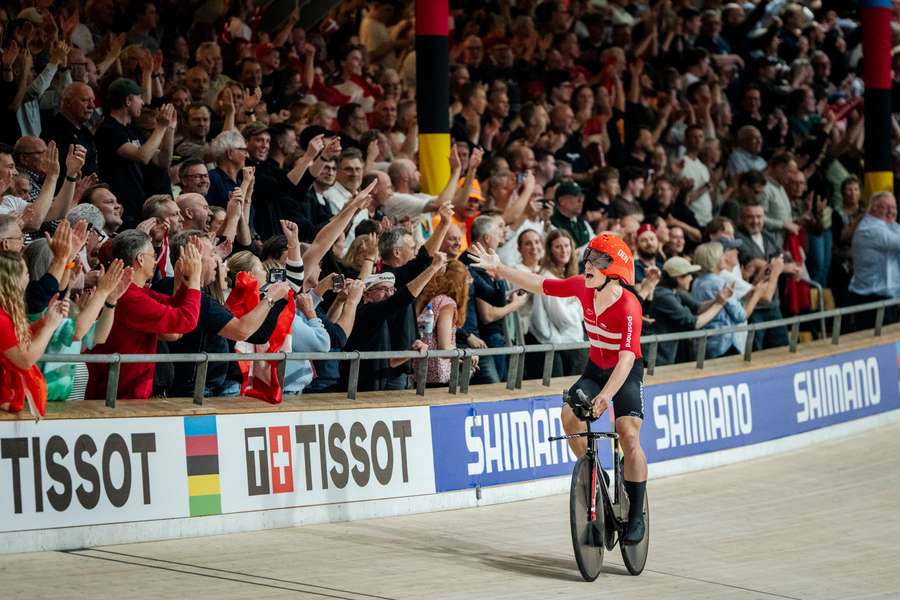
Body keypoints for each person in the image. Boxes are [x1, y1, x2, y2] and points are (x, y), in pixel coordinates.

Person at [468, 233, 648, 545]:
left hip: (625, 373)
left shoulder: (629, 305)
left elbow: (627, 358)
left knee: (629, 437)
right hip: (595, 369)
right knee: (568, 418)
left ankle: (636, 517)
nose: (588, 265)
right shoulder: (581, 285)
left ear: (614, 269)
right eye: (589, 258)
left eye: (597, 261)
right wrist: (500, 268)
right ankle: (597, 473)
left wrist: (606, 396)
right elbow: (540, 284)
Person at [86, 229, 202, 400]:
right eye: (153, 255)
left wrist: (185, 280)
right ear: (140, 259)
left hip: (123, 395)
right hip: (117, 399)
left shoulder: (134, 292)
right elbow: (186, 320)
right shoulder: (128, 297)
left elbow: (173, 305)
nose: (155, 260)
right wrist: (195, 280)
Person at [848, 192, 900, 330]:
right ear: (874, 208)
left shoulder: (889, 225)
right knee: (876, 346)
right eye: (886, 207)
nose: (891, 211)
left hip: (887, 298)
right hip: (872, 299)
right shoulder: (870, 229)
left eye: (894, 207)